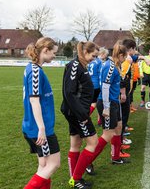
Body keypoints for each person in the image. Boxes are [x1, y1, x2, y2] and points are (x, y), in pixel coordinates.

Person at [61, 41, 99, 189]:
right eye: (93, 56)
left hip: (77, 111)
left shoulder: (82, 66)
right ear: (84, 51)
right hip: (77, 113)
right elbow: (68, 93)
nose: (94, 59)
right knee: (92, 142)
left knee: (76, 143)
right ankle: (76, 179)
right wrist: (82, 115)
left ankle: (74, 178)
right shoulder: (74, 65)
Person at [23, 37, 60, 189]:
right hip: (40, 128)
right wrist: (42, 129)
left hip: (34, 127)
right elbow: (34, 101)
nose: (55, 56)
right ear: (45, 50)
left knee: (44, 165)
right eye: (54, 52)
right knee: (54, 164)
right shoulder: (35, 71)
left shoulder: (31, 68)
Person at [96, 42, 130, 164]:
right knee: (107, 134)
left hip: (114, 102)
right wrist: (106, 107)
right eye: (125, 56)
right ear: (120, 55)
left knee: (118, 128)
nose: (126, 58)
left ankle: (115, 157)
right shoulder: (110, 66)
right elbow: (105, 87)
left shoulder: (116, 66)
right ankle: (88, 160)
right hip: (108, 103)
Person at [88, 47, 108, 126]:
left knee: (97, 102)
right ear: (102, 54)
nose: (105, 58)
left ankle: (100, 121)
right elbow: (100, 74)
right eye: (105, 55)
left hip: (90, 83)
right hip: (96, 85)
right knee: (96, 103)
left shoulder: (91, 61)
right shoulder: (99, 62)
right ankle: (85, 117)